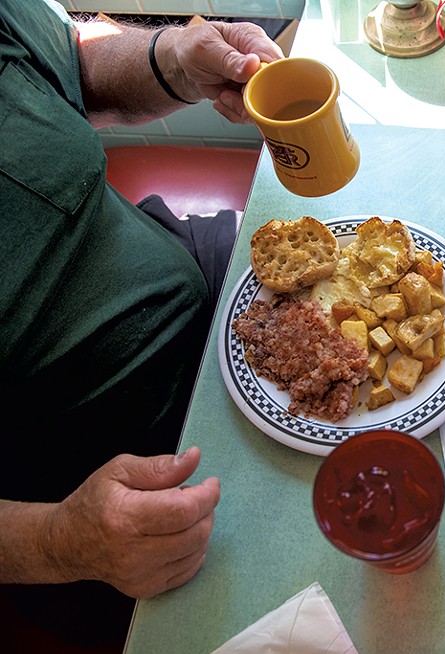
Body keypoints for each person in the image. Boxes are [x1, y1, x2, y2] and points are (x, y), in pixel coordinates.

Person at [0, 1, 283, 649]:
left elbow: (70, 66)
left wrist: (178, 59)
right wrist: (59, 543)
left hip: (188, 270)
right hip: (95, 494)